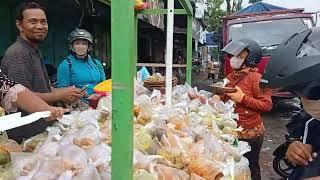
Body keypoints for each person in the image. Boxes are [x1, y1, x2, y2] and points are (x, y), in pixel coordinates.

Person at [1, 2, 84, 142]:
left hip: (42, 128)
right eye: (32, 21)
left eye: (43, 22)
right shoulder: (18, 54)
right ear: (19, 25)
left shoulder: (34, 50)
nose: (39, 26)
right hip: (26, 134)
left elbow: (42, 88)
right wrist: (59, 95)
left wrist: (64, 93)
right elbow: (20, 96)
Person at [260, 27, 320, 179]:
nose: (304, 100)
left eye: (311, 91)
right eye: (297, 93)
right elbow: (303, 140)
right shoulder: (310, 121)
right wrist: (294, 149)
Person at [212, 39, 273, 180]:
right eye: (234, 55)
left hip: (252, 135)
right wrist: (214, 97)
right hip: (232, 132)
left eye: (240, 56)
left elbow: (267, 105)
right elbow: (222, 94)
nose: (234, 59)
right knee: (235, 167)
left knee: (251, 166)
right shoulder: (230, 77)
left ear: (251, 58)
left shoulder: (257, 78)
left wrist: (243, 98)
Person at [0, 71, 67, 121]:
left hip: (39, 118)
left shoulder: (37, 55)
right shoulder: (17, 55)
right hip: (26, 126)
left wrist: (48, 109)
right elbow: (10, 90)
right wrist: (56, 96)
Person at [57, 29, 106, 95]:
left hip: (99, 101)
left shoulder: (96, 63)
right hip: (79, 102)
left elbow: (104, 86)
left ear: (89, 47)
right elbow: (62, 92)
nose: (81, 47)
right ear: (71, 46)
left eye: (84, 44)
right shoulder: (66, 65)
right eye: (77, 43)